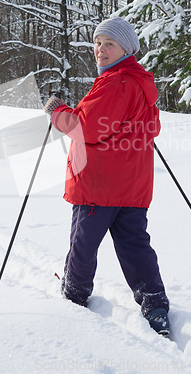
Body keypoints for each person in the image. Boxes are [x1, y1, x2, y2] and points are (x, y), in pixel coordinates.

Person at [44, 17, 170, 336]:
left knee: (83, 244)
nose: (100, 49)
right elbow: (144, 128)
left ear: (125, 49)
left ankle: (73, 296)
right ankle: (154, 304)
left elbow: (84, 128)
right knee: (135, 245)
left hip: (98, 186)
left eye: (109, 44)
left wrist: (58, 113)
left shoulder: (115, 82)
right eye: (98, 42)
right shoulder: (141, 84)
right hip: (133, 186)